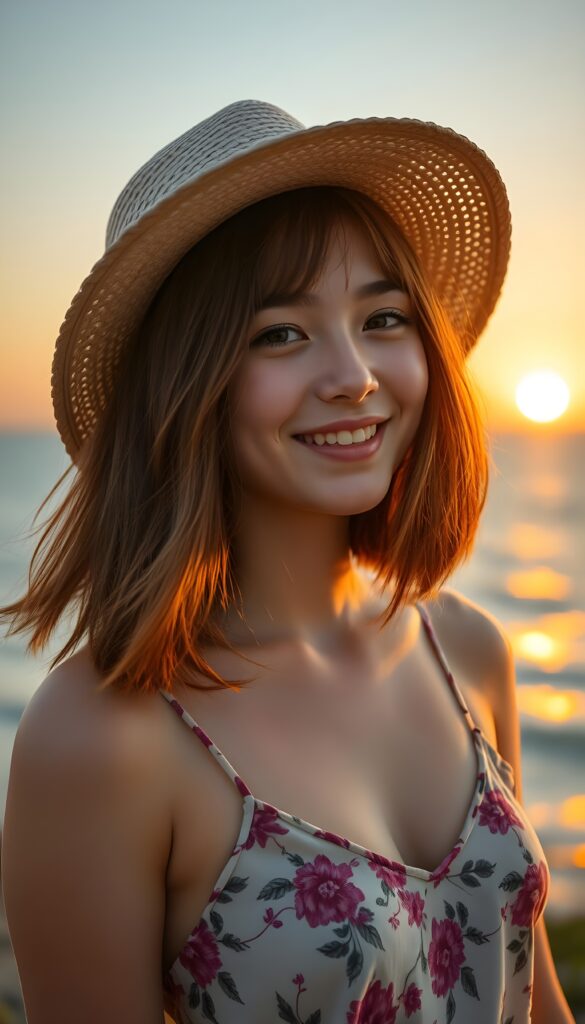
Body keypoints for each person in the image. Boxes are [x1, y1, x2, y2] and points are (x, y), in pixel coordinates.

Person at [0, 100, 573, 1024]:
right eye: (279, 333)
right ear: (186, 385)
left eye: (382, 316)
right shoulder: (105, 735)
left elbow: (536, 1000)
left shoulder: (466, 650)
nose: (353, 373)